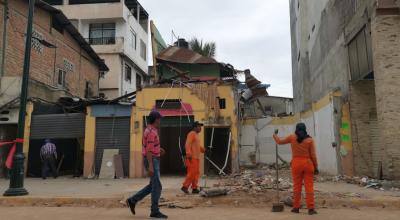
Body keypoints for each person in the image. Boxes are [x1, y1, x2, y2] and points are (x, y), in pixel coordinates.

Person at [126, 111, 168, 219]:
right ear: (156, 119)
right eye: (159, 118)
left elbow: (150, 146)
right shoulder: (150, 132)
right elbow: (149, 150)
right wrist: (150, 165)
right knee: (157, 186)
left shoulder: (152, 130)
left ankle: (132, 200)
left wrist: (159, 149)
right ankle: (154, 211)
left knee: (152, 186)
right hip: (152, 160)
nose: (160, 120)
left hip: (153, 159)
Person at [273, 123, 319, 215]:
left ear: (296, 129)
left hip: (296, 164)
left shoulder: (292, 137)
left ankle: (296, 207)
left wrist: (275, 135)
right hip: (308, 164)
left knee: (297, 186)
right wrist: (316, 167)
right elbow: (313, 156)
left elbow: (279, 142)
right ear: (305, 129)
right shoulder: (309, 140)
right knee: (309, 187)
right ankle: (311, 209)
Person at [181, 121, 205, 194]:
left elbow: (197, 146)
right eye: (199, 126)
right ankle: (185, 186)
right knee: (192, 172)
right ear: (194, 127)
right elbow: (187, 144)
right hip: (192, 157)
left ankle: (194, 188)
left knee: (196, 173)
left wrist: (203, 150)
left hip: (197, 157)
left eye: (200, 126)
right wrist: (188, 154)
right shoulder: (191, 134)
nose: (200, 128)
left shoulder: (196, 135)